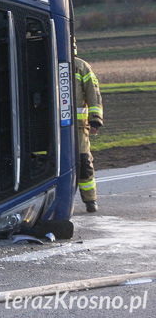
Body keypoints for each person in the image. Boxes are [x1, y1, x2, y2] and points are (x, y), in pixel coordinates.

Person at [74, 46, 104, 213]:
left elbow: (93, 94)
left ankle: (90, 200)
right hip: (52, 129)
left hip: (78, 127)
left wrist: (95, 120)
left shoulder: (81, 66)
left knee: (83, 162)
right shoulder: (46, 64)